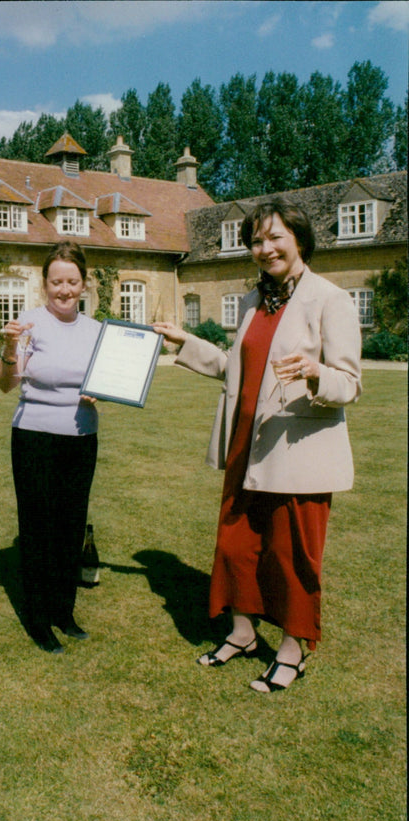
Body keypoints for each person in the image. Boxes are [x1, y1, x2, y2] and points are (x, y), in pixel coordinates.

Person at [154, 198, 361, 692]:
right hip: (244, 442)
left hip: (298, 447)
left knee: (291, 553)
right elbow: (236, 368)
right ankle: (242, 632)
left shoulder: (329, 299)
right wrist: (186, 343)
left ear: (299, 240)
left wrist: (316, 374)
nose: (264, 249)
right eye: (256, 241)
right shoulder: (253, 301)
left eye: (274, 238)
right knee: (236, 544)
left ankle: (293, 650)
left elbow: (350, 382)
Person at [0, 241, 101, 653]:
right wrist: (8, 349)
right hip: (34, 436)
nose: (64, 290)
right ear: (44, 284)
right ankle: (38, 619)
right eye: (56, 281)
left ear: (84, 283)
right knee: (38, 527)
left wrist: (102, 393)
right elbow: (7, 384)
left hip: (81, 437)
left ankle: (64, 611)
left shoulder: (96, 330)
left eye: (72, 281)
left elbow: (106, 378)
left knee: (71, 526)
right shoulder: (28, 324)